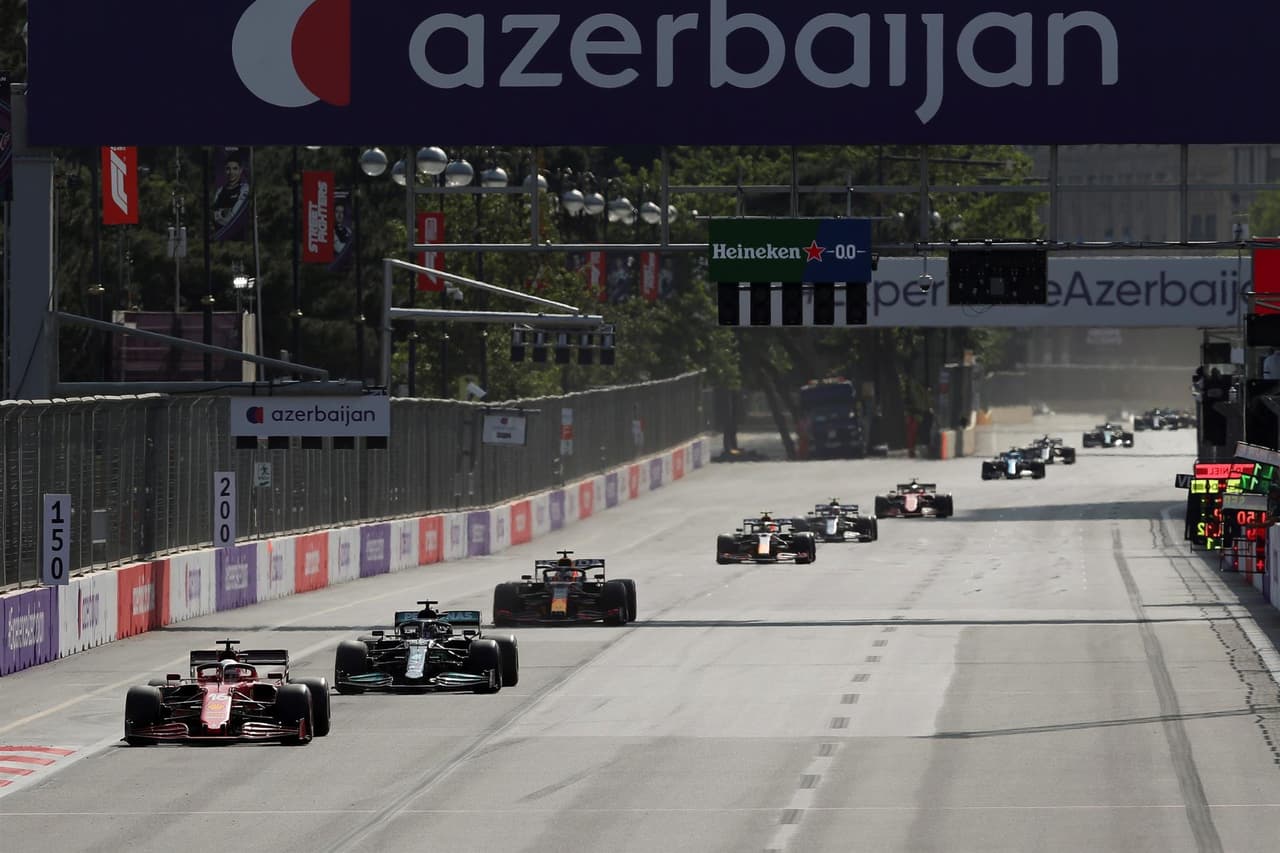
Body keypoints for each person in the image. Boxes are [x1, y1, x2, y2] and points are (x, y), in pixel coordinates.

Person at [211, 149, 250, 235]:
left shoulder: (245, 189)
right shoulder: (220, 191)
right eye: (228, 169)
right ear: (225, 171)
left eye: (235, 169)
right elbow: (216, 217)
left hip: (240, 234)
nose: (231, 172)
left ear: (240, 170)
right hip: (221, 234)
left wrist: (224, 213)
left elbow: (234, 217)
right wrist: (226, 213)